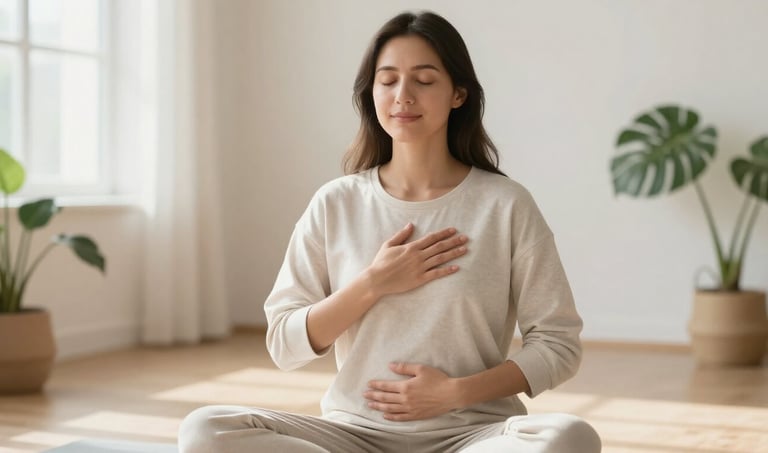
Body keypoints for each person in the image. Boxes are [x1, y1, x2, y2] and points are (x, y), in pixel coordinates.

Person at [179, 10, 601, 453]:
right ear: (371, 92)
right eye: (388, 79)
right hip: (352, 435)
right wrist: (372, 284)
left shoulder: (505, 204)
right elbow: (284, 344)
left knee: (570, 438)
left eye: (424, 79)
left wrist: (456, 392)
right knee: (206, 430)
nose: (403, 95)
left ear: (458, 93)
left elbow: (558, 344)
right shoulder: (335, 203)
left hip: (473, 436)